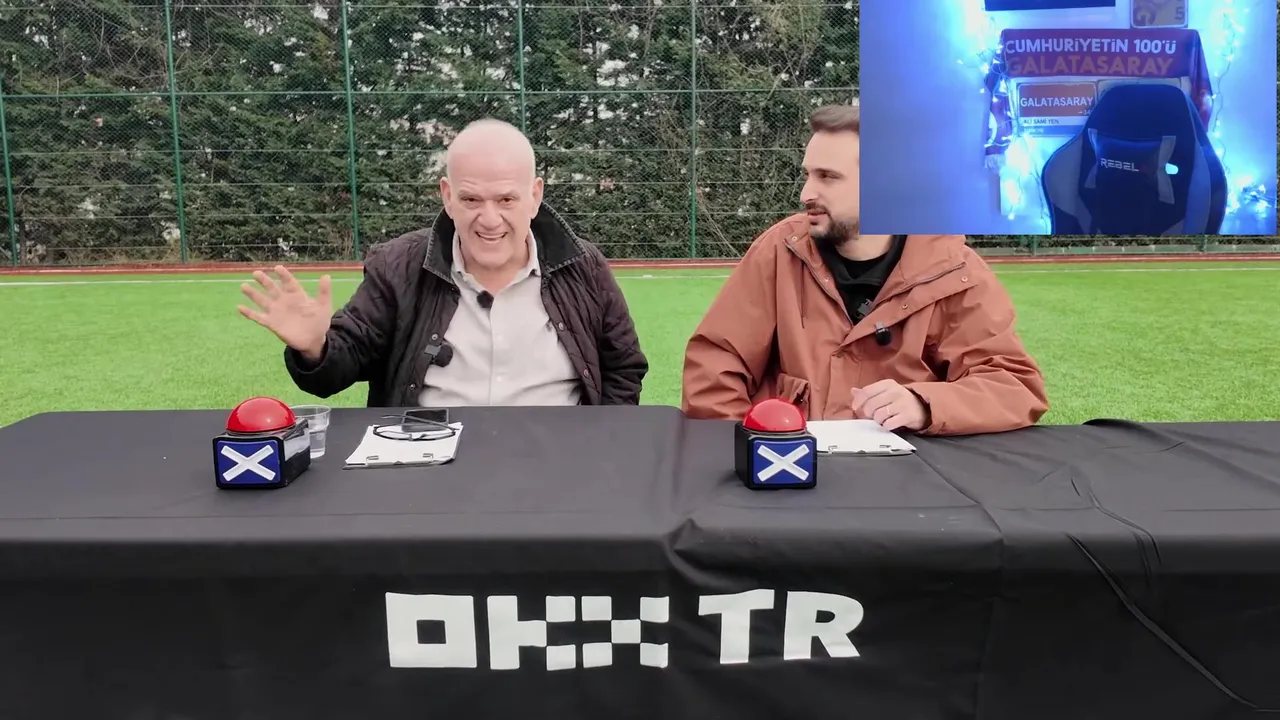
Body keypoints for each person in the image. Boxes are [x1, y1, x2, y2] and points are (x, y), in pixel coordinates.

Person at [680, 104, 1048, 436]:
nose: (806, 193)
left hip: (908, 478)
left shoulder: (953, 269)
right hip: (790, 469)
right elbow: (715, 365)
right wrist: (747, 449)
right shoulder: (780, 251)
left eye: (827, 176)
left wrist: (924, 405)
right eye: (808, 174)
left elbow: (1013, 385)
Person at [238, 118, 649, 408]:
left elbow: (624, 369)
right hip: (427, 469)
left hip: (556, 464)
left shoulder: (584, 268)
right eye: (471, 199)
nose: (489, 219)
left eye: (506, 199)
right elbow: (340, 365)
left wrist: (601, 446)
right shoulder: (398, 265)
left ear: (535, 195)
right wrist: (315, 348)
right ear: (448, 196)